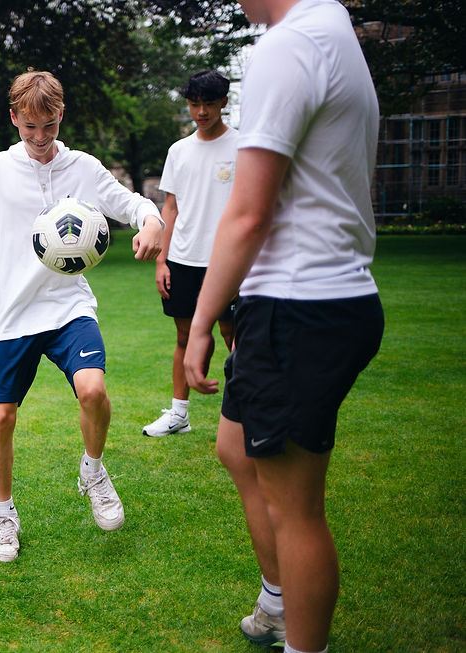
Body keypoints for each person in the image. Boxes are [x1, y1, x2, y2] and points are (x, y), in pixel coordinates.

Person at [183, 0, 384, 650]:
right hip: (323, 296)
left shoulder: (288, 46)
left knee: (298, 510)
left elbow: (248, 213)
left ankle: (303, 641)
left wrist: (201, 322)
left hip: (302, 304)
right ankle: (275, 600)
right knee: (236, 448)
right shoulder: (333, 30)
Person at [0, 70, 163, 562]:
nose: (39, 138)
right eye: (29, 126)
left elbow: (131, 203)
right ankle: (4, 515)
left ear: (61, 117)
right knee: (1, 416)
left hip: (69, 305)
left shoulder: (84, 168)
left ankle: (94, 471)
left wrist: (151, 221)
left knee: (94, 390)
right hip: (15, 313)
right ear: (14, 118)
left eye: (49, 126)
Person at [143, 71, 237, 437]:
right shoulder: (178, 151)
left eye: (209, 104)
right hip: (182, 260)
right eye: (195, 104)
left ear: (223, 103)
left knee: (235, 338)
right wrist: (161, 261)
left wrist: (245, 267)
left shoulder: (243, 147)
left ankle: (249, 412)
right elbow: (170, 208)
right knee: (184, 337)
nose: (201, 111)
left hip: (228, 262)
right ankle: (179, 415)